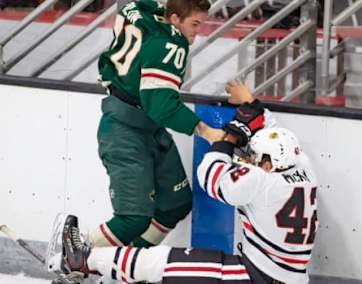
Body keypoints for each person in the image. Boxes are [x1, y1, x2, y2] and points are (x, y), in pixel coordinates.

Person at [55, 82, 319, 284]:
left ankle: (82, 260)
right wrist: (250, 102)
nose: (248, 161)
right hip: (287, 277)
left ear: (268, 165)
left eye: (254, 158)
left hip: (257, 277)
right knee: (170, 263)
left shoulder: (260, 182)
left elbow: (210, 176)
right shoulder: (303, 167)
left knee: (164, 262)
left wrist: (225, 142)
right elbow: (272, 129)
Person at [90, 0, 225, 250]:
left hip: (146, 127)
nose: (198, 31)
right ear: (174, 19)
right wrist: (205, 130)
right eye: (194, 24)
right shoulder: (171, 43)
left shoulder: (145, 11)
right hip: (123, 131)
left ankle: (130, 264)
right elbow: (161, 106)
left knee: (175, 204)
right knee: (133, 219)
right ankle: (74, 253)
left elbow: (134, 8)